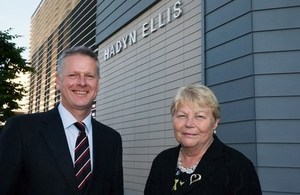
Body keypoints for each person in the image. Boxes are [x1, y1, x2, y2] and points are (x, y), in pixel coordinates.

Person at [0, 46, 124, 195]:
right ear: (58, 82)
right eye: (73, 75)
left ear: (98, 84)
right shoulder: (21, 130)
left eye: (89, 76)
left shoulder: (112, 139)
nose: (82, 82)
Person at [144, 84, 262, 195]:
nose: (189, 123)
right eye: (182, 116)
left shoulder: (238, 167)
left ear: (215, 123)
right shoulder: (162, 161)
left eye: (199, 116)